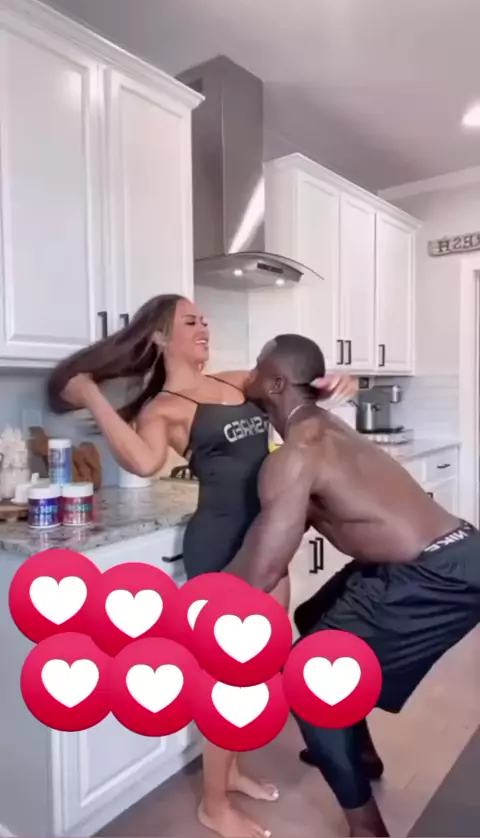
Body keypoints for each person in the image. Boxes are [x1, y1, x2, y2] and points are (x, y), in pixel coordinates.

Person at [46, 295, 357, 838]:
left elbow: (294, 388)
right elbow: (143, 461)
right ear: (160, 337)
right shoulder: (162, 409)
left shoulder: (236, 382)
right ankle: (214, 805)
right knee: (230, 679)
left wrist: (333, 382)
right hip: (220, 545)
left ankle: (228, 771)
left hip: (268, 539)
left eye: (205, 320)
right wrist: (90, 392)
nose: (203, 328)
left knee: (255, 668)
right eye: (190, 321)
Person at [227, 333, 480, 838]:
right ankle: (360, 751)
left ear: (275, 385)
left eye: (257, 368)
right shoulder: (325, 426)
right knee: (313, 617)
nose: (247, 375)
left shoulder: (296, 455)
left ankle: (367, 829)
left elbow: (265, 571)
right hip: (457, 549)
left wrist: (197, 601)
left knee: (310, 682)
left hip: (433, 575)